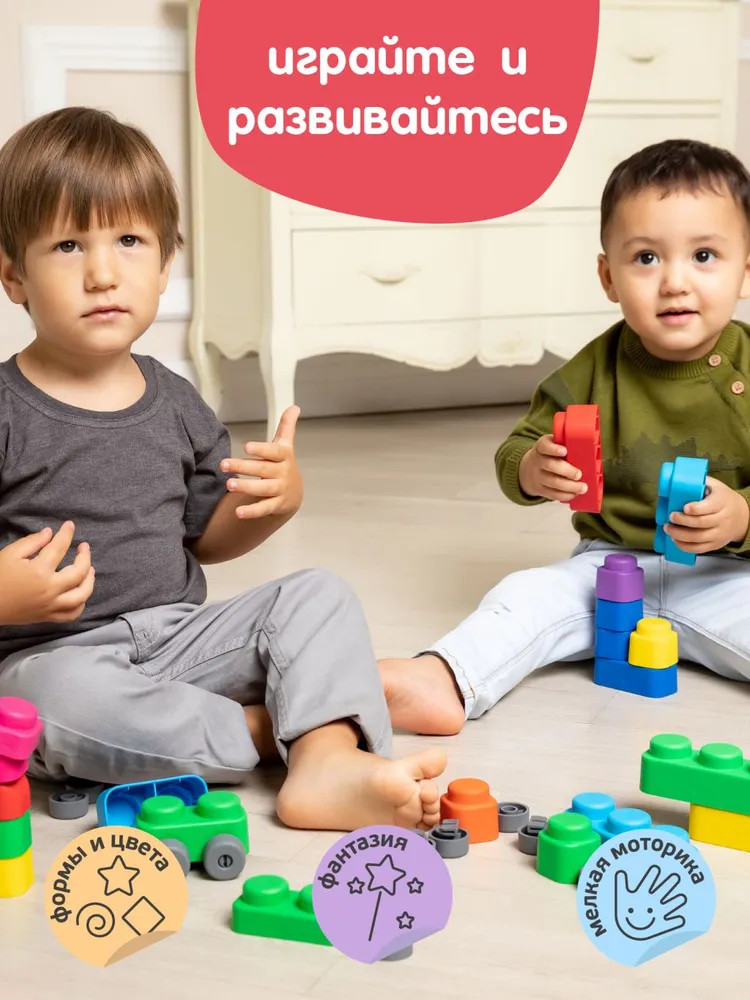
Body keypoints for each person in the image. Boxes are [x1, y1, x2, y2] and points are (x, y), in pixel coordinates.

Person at [0, 106, 445, 831]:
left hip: (183, 638)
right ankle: (275, 729)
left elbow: (206, 539)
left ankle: (326, 764)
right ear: (14, 274)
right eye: (69, 245)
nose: (103, 273)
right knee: (39, 707)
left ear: (165, 265)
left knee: (318, 595)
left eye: (129, 241)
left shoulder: (175, 400)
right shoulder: (6, 411)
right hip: (55, 657)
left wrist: (271, 504)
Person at [380, 137, 750, 735]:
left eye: (704, 256)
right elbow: (516, 449)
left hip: (728, 574)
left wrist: (741, 517)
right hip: (607, 569)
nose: (675, 282)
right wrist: (533, 468)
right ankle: (443, 679)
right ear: (608, 277)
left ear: (746, 270)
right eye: (646, 258)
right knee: (523, 596)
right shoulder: (591, 370)